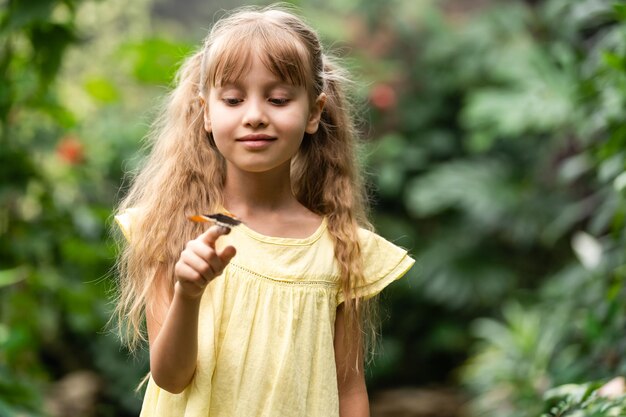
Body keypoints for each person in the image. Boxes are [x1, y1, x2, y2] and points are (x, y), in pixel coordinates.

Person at [113, 4, 414, 416]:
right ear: (205, 112)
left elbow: (349, 391)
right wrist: (188, 292)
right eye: (234, 99)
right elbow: (170, 377)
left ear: (313, 112)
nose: (255, 116)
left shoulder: (341, 249)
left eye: (277, 98)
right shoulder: (171, 228)